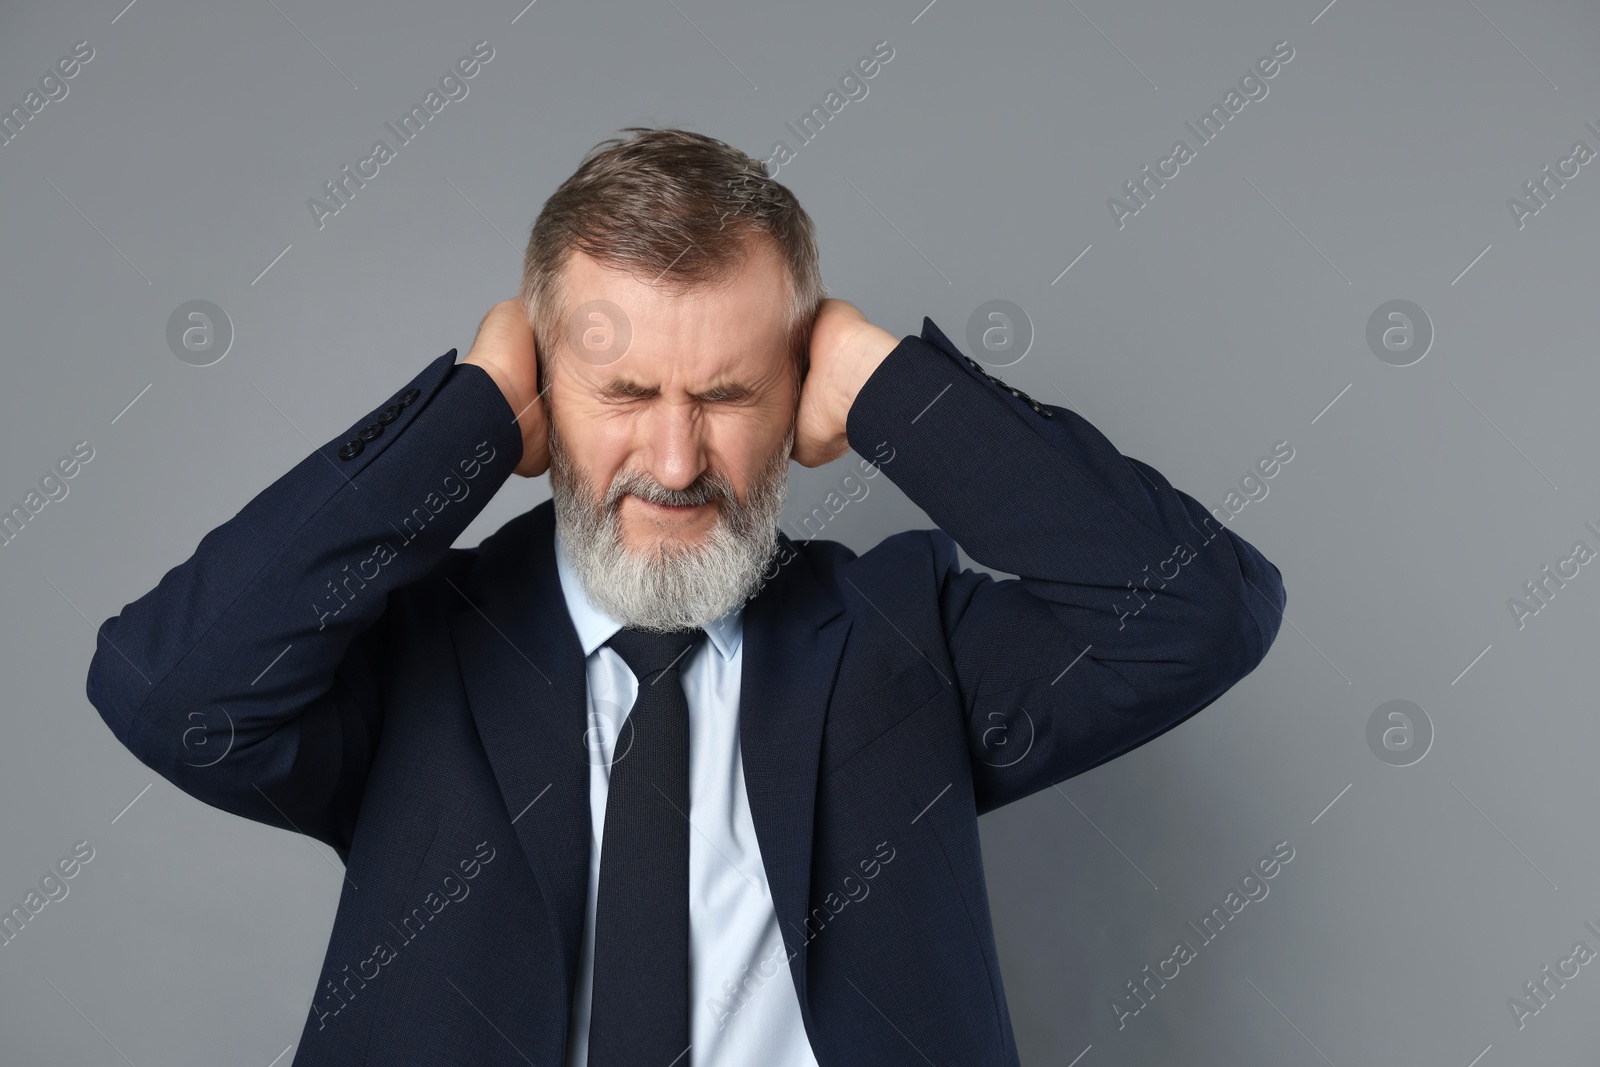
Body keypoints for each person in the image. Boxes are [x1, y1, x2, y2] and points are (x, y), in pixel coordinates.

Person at [86, 127, 1286, 1067]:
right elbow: (171, 690)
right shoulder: (415, 652)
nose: (672, 460)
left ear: (793, 395)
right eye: (622, 392)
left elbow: (1199, 612)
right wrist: (462, 413)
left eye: (723, 394)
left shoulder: (901, 637)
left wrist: (888, 386)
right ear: (546, 397)